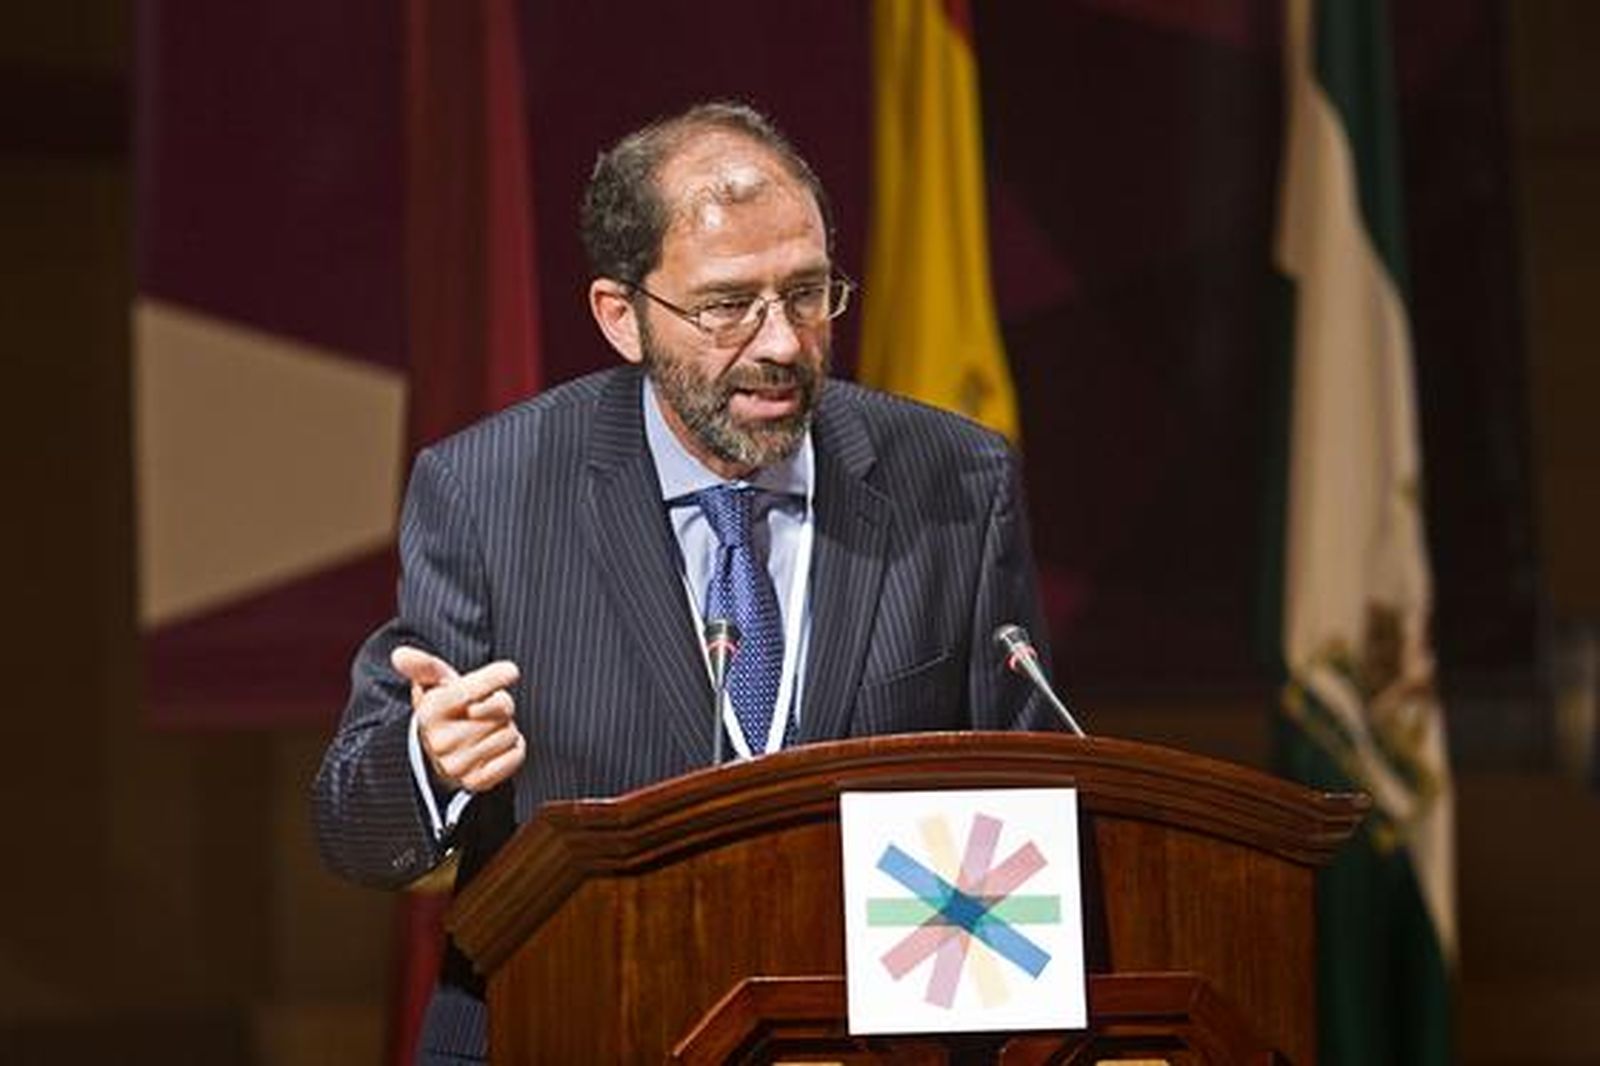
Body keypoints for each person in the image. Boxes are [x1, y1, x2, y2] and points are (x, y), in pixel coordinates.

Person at [312, 100, 1056, 1063]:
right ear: (622, 318)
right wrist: (431, 763)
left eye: (807, 293)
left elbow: (1027, 794)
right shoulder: (489, 489)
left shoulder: (952, 479)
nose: (783, 342)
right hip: (573, 1026)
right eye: (727, 305)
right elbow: (353, 832)